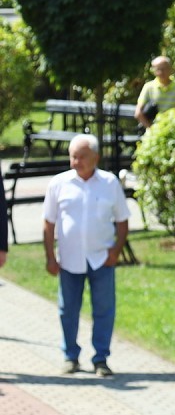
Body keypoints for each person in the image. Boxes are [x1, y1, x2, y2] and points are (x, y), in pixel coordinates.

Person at [42, 133, 130, 376]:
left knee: (104, 310)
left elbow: (123, 221)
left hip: (101, 259)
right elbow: (48, 223)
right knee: (68, 310)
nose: (76, 162)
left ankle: (101, 359)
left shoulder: (110, 183)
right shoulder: (59, 183)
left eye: (81, 157)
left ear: (96, 158)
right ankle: (70, 356)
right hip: (69, 259)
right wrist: (50, 257)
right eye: (73, 156)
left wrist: (116, 251)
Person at [134, 55, 175, 127]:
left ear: (170, 69)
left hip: (174, 127)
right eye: (157, 69)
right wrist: (151, 129)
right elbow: (138, 113)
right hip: (154, 128)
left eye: (164, 69)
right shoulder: (148, 87)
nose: (161, 72)